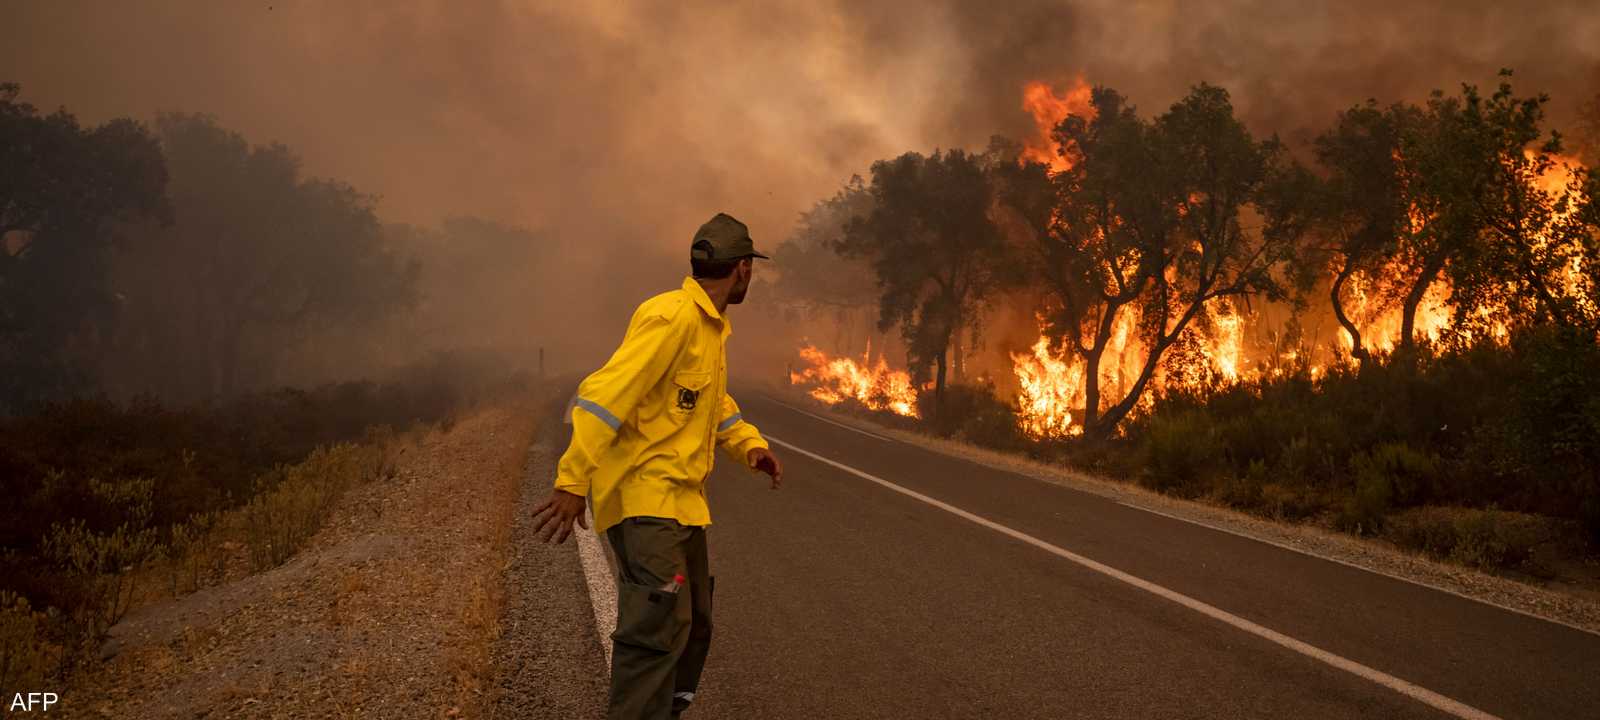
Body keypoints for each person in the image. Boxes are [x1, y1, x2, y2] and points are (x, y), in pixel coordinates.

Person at [532, 212, 785, 720]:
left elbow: (712, 403)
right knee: (656, 631)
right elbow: (603, 397)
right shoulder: (670, 318)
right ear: (741, 270)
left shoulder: (709, 329)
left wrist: (750, 447)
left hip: (683, 506)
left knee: (695, 626)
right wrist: (571, 481)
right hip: (647, 504)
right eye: (749, 267)